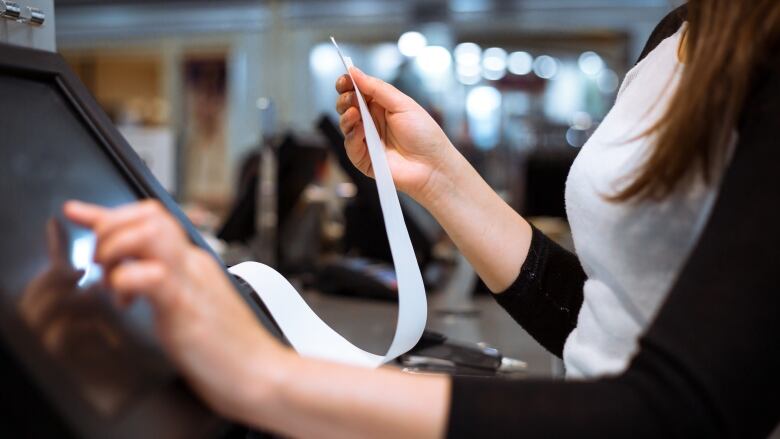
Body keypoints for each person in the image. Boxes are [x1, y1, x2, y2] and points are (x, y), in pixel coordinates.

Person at [63, 2, 780, 437]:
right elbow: (611, 318)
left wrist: (264, 376)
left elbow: (683, 414)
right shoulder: (677, 35)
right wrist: (438, 177)